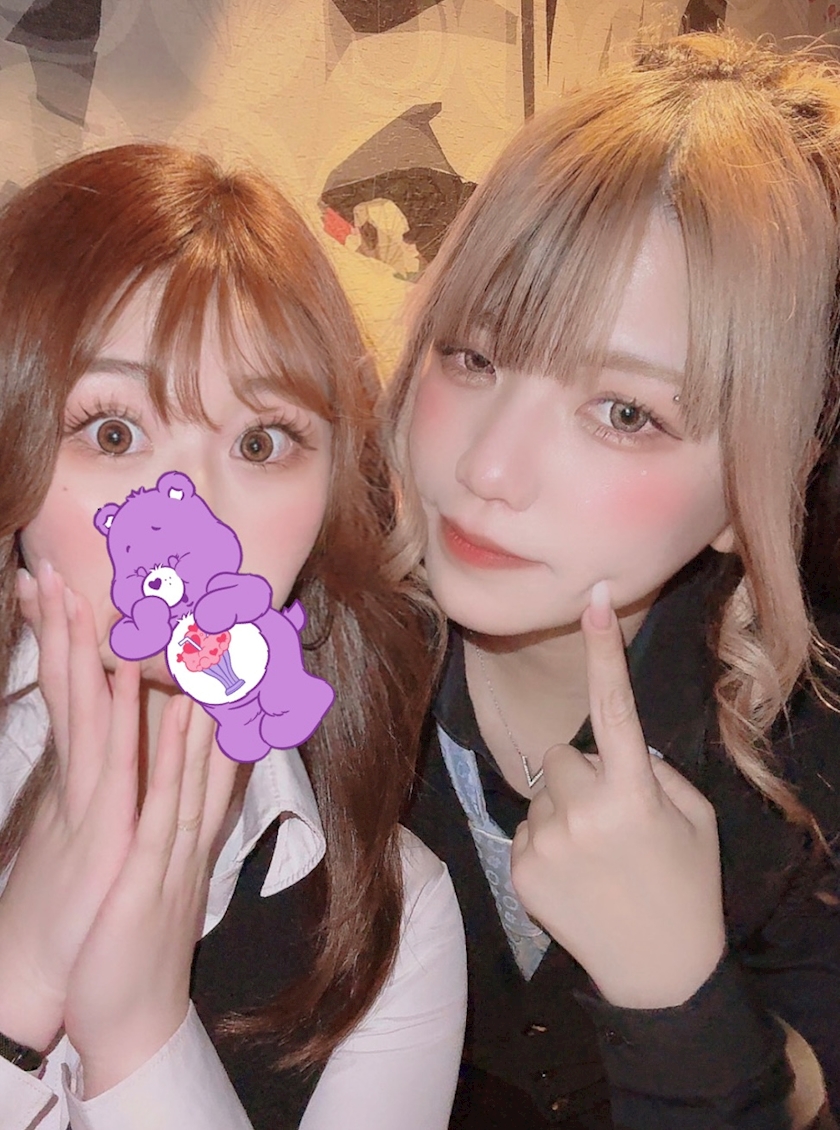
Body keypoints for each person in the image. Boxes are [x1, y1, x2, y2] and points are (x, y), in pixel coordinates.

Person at [384, 31, 840, 1130]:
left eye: (626, 411)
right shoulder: (291, 668)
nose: (489, 470)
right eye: (474, 356)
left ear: (754, 487)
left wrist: (679, 994)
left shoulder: (810, 763)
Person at [0, 142, 466, 1130]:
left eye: (261, 441)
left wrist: (142, 1038)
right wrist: (19, 981)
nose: (197, 514)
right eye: (115, 432)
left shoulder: (389, 923)